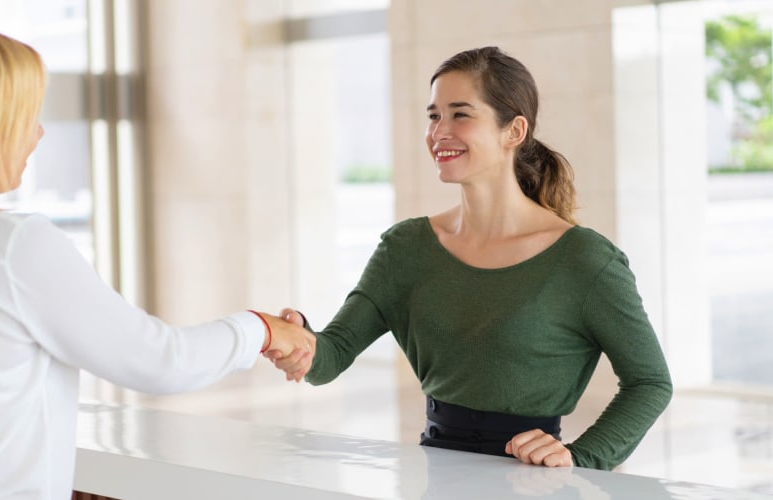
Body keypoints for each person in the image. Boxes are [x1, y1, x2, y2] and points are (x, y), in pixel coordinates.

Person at [0, 28, 315, 500]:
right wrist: (262, 330)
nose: (39, 133)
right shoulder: (12, 246)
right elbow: (160, 360)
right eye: (27, 115)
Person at [267, 46, 672, 471]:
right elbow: (331, 356)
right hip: (436, 475)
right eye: (433, 116)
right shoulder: (405, 248)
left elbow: (650, 382)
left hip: (534, 483)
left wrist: (582, 456)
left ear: (513, 131)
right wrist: (298, 343)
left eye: (460, 114)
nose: (439, 131)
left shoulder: (584, 260)